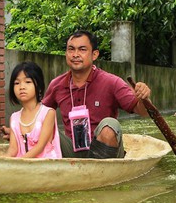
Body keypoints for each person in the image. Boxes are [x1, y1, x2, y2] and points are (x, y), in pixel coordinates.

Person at [41, 30, 152, 159]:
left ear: (94, 54)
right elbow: (38, 116)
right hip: (72, 151)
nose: (75, 54)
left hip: (105, 153)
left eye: (82, 50)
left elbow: (144, 112)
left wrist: (144, 98)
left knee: (110, 124)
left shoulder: (111, 82)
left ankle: (101, 171)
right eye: (71, 49)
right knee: (45, 129)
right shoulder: (57, 85)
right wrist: (16, 130)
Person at [5, 61, 62, 159]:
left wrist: (19, 162)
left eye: (28, 82)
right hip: (22, 168)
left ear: (39, 86)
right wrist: (3, 160)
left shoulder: (48, 113)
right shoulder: (14, 118)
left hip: (46, 167)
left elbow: (40, 147)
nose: (21, 87)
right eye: (17, 83)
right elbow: (13, 149)